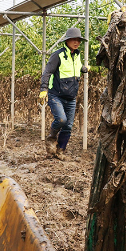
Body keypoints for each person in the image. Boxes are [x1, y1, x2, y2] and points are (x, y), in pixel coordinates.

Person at [39, 27, 88, 160]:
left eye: (78, 40)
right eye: (73, 39)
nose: (76, 42)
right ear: (67, 41)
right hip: (56, 95)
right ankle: (51, 138)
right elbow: (47, 72)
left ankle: (60, 151)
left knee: (68, 127)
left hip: (71, 97)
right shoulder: (58, 55)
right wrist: (43, 89)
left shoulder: (77, 55)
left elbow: (76, 67)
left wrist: (84, 69)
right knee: (61, 119)